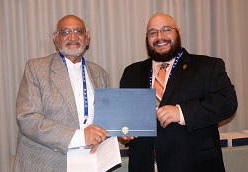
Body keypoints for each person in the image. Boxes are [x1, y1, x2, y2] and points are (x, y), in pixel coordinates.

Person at [120, 13, 238, 172]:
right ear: (147, 38)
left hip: (195, 165)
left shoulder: (207, 66)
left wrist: (182, 112)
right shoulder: (132, 72)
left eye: (166, 29)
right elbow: (123, 115)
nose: (160, 37)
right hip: (144, 165)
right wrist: (123, 131)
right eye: (153, 32)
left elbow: (228, 102)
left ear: (178, 32)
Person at [13, 15, 109, 172]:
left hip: (90, 163)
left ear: (87, 37)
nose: (73, 36)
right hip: (45, 165)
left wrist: (117, 131)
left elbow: (106, 118)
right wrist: (80, 137)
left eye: (79, 31)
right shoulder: (36, 68)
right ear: (55, 38)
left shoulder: (100, 74)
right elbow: (27, 118)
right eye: (65, 31)